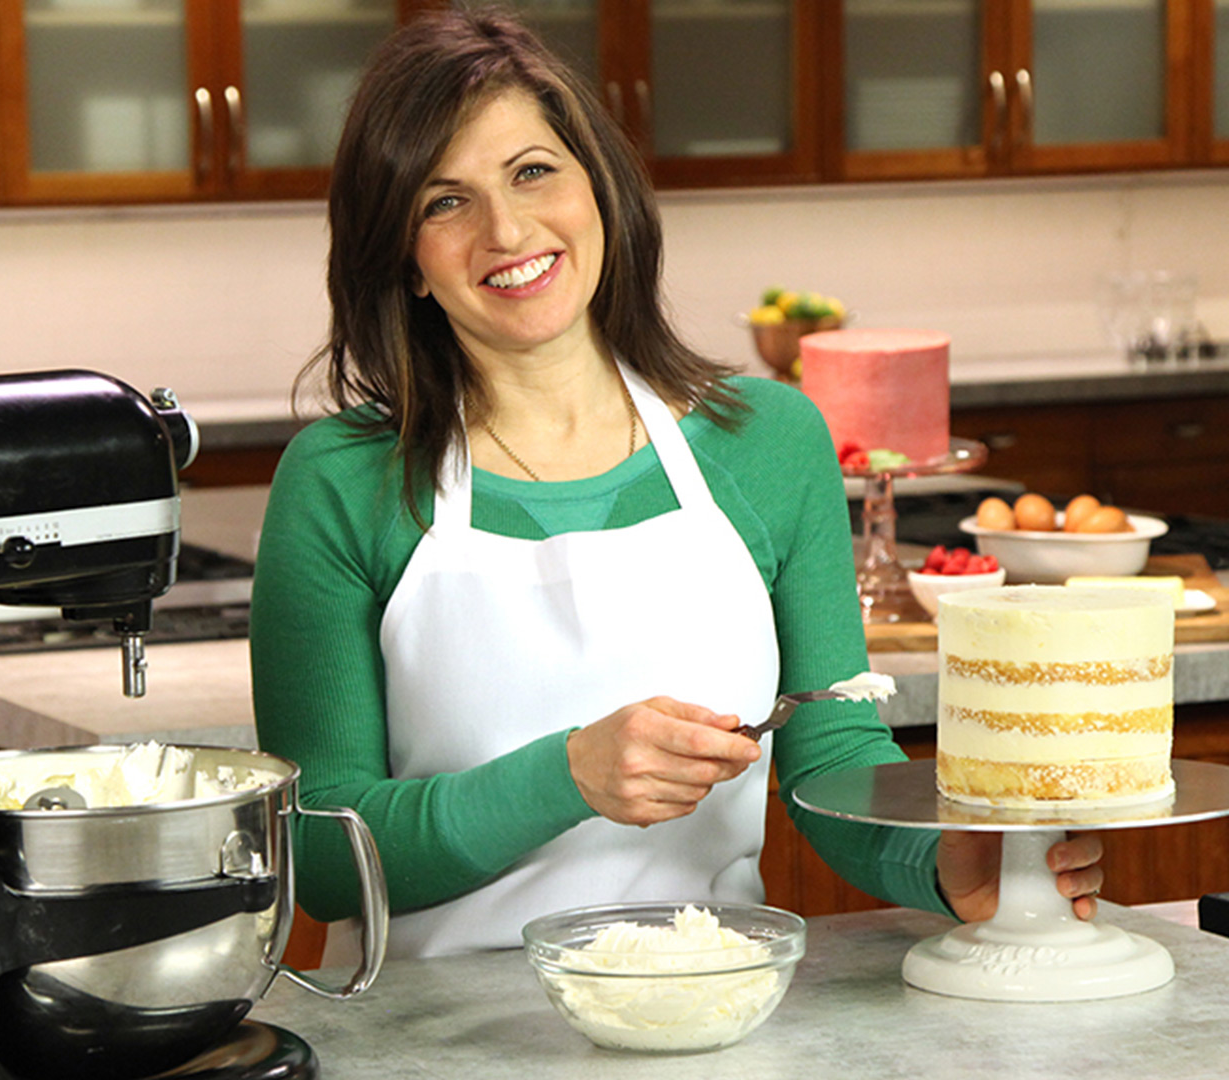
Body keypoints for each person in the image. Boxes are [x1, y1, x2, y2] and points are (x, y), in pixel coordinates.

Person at [249, 6, 1102, 961]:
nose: (507, 228)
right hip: (437, 1040)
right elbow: (321, 856)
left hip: (711, 1009)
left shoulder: (771, 442)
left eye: (534, 171)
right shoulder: (342, 481)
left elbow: (833, 754)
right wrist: (568, 777)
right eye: (444, 202)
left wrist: (939, 866)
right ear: (404, 259)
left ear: (599, 190)